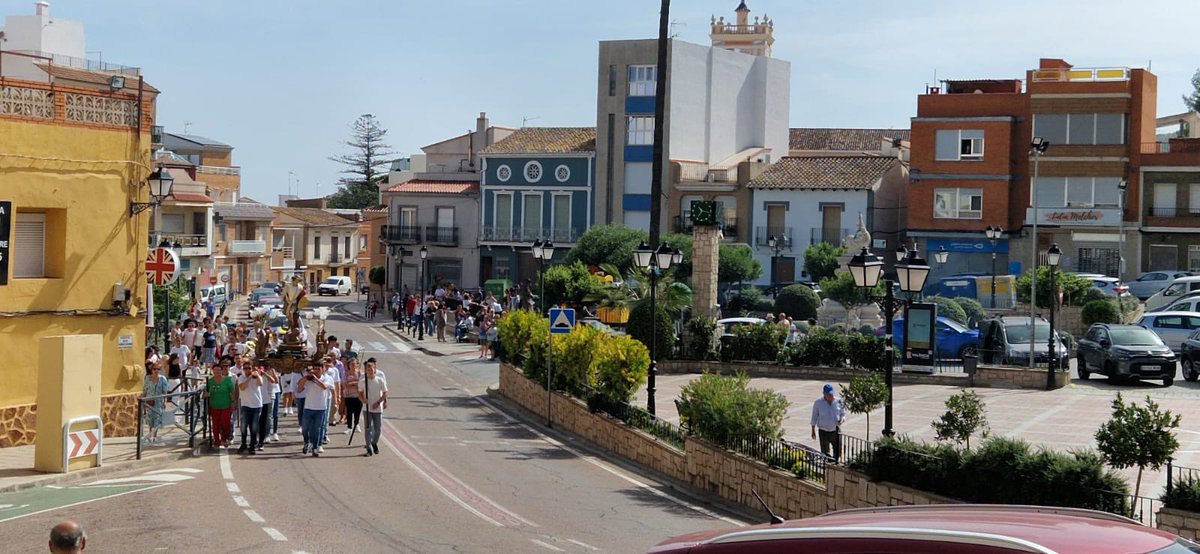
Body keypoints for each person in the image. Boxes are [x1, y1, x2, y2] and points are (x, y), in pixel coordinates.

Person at [297, 361, 334, 456]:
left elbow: (324, 386)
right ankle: (306, 442)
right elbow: (299, 389)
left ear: (322, 369)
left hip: (321, 408)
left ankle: (315, 448)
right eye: (315, 368)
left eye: (319, 369)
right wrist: (305, 378)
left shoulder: (326, 378)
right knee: (305, 428)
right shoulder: (308, 379)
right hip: (308, 407)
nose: (316, 371)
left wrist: (316, 379)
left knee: (317, 429)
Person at [359, 359, 388, 456]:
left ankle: (374, 442)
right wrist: (363, 400)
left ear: (375, 370)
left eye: (372, 370)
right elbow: (360, 393)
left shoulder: (380, 380)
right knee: (368, 428)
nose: (370, 371)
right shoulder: (363, 381)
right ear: (366, 371)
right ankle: (369, 449)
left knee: (378, 429)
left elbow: (385, 393)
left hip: (377, 408)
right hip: (367, 408)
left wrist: (379, 402)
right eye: (368, 370)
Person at [810, 383, 846, 462]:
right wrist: (813, 430)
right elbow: (814, 416)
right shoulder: (818, 402)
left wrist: (842, 420)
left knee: (838, 449)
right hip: (823, 431)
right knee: (825, 452)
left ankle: (835, 462)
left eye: (832, 394)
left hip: (835, 430)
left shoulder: (839, 401)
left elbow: (843, 413)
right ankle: (828, 464)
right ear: (824, 394)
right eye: (829, 395)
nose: (831, 396)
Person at [205, 358, 237, 449]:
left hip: (226, 406)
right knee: (215, 425)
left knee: (225, 424)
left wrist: (233, 402)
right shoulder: (210, 381)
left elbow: (232, 392)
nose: (217, 372)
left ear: (221, 371)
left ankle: (225, 438)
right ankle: (217, 441)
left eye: (219, 370)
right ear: (213, 371)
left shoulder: (227, 380)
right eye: (215, 370)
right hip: (214, 406)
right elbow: (204, 394)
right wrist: (206, 394)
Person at [142, 361, 169, 444]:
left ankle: (155, 436)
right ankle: (150, 434)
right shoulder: (147, 378)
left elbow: (165, 391)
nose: (156, 370)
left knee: (157, 418)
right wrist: (143, 400)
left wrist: (165, 401)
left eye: (158, 369)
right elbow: (145, 390)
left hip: (158, 401)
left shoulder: (162, 379)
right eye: (154, 369)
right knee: (150, 418)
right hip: (149, 401)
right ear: (151, 370)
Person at [256, 365, 280, 448]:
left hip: (269, 397)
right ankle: (259, 435)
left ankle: (267, 435)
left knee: (268, 417)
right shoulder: (256, 375)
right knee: (259, 418)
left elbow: (275, 381)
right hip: (259, 398)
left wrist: (266, 373)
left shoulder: (269, 373)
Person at [341, 358, 362, 435]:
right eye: (351, 364)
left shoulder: (359, 373)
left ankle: (356, 424)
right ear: (349, 365)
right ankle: (349, 427)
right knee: (349, 412)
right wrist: (354, 383)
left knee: (357, 411)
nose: (353, 366)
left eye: (355, 364)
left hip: (358, 395)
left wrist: (352, 383)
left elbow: (361, 383)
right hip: (348, 395)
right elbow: (344, 384)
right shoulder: (346, 373)